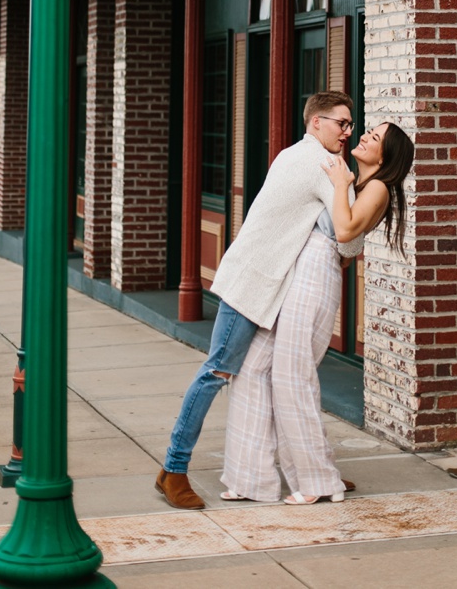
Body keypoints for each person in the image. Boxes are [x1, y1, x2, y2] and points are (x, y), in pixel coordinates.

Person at [153, 90, 355, 511]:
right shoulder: (324, 164)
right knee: (217, 372)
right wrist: (347, 184)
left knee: (257, 376)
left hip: (260, 283)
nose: (347, 133)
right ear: (316, 122)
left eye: (351, 125)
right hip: (254, 286)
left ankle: (312, 469)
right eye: (341, 123)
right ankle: (172, 470)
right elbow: (348, 238)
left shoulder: (289, 153)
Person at [220, 121, 414, 504]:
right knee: (252, 368)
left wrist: (340, 184)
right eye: (367, 131)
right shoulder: (355, 182)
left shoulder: (376, 188)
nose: (362, 136)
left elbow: (344, 233)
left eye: (373, 138)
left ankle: (317, 481)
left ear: (385, 156)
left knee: (293, 378)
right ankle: (250, 478)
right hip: (297, 275)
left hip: (313, 282)